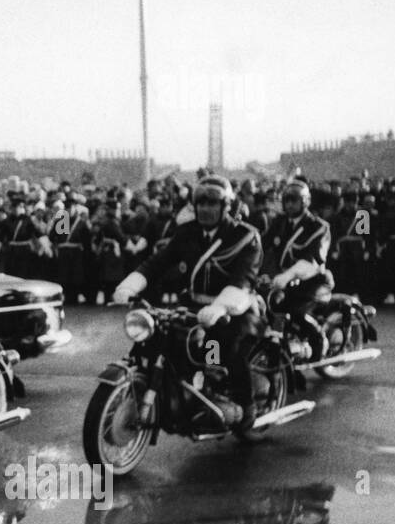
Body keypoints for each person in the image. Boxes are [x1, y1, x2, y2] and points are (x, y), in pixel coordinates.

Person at [113, 176, 264, 430]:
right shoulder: (186, 232)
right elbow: (158, 262)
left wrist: (219, 307)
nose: (205, 208)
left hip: (235, 309)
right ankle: (183, 396)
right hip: (193, 306)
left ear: (226, 205)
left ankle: (246, 408)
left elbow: (244, 279)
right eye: (200, 202)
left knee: (221, 349)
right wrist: (131, 284)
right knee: (163, 339)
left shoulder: (244, 236)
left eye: (212, 203)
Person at [261, 180, 331, 360]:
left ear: (305, 202)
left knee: (296, 311)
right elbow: (262, 246)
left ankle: (318, 339)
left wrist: (288, 275)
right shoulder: (279, 222)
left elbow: (312, 260)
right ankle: (283, 346)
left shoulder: (318, 226)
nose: (290, 205)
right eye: (287, 201)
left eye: (294, 200)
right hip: (285, 281)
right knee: (268, 307)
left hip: (313, 280)